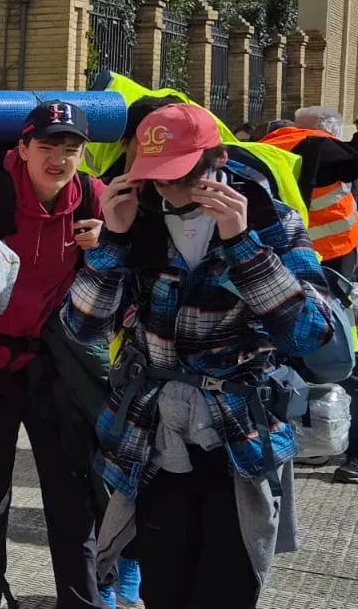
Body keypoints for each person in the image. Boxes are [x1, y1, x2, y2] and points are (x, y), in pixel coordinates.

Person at [62, 103, 339, 608]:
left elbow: (310, 333)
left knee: (227, 590)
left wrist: (243, 245)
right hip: (155, 435)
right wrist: (113, 242)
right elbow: (83, 326)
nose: (171, 192)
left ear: (217, 161)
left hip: (240, 435)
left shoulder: (269, 218)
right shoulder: (137, 217)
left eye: (184, 176)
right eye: (157, 179)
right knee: (165, 589)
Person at [0, 101, 106, 609]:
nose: (59, 158)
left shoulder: (96, 197)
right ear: (22, 148)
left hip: (56, 370)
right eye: (47, 146)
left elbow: (135, 266)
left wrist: (112, 242)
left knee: (72, 503)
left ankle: (82, 602)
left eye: (71, 149)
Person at [260, 106, 358, 278]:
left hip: (277, 243)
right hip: (330, 248)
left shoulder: (268, 144)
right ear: (332, 131)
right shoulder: (328, 150)